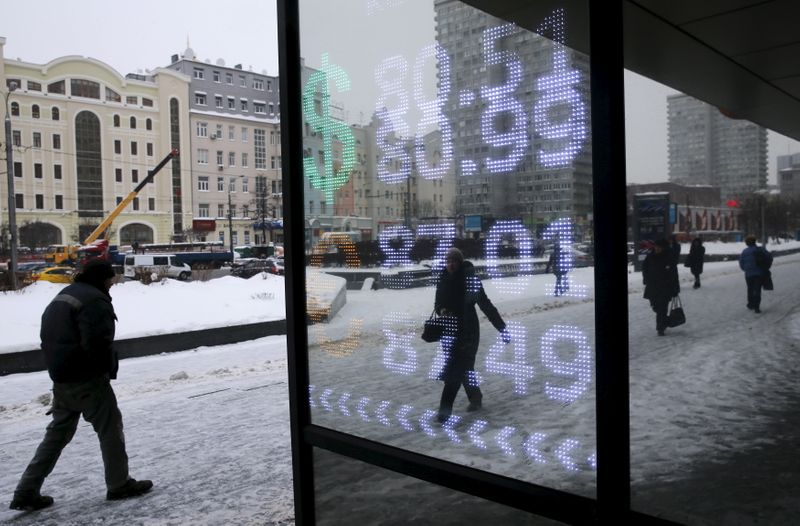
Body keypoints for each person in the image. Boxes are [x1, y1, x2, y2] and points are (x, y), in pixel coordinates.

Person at [9, 260, 152, 512]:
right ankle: (119, 483)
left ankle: (26, 491)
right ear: (102, 279)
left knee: (56, 435)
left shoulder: (64, 296)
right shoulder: (94, 301)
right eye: (110, 280)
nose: (112, 285)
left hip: (61, 377)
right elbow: (97, 342)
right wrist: (101, 373)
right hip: (87, 378)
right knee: (110, 428)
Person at [434, 247, 509, 423]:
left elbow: (486, 305)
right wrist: (442, 310)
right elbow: (437, 304)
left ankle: (444, 412)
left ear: (460, 262)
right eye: (448, 261)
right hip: (450, 331)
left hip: (468, 332)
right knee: (464, 369)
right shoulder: (443, 279)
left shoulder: (471, 280)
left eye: (454, 261)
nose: (450, 264)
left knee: (455, 370)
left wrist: (502, 328)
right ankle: (475, 396)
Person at [642, 238, 680, 336]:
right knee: (655, 307)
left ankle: (660, 328)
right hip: (652, 287)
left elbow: (674, 274)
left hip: (665, 287)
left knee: (662, 308)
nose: (657, 248)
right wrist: (646, 278)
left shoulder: (669, 257)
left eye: (659, 247)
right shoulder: (650, 256)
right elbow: (644, 267)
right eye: (656, 246)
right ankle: (665, 321)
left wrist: (675, 289)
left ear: (664, 248)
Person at [738, 235, 772, 313]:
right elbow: (769, 257)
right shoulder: (761, 249)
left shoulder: (744, 251)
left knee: (750, 289)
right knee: (757, 289)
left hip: (748, 274)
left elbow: (741, 263)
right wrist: (766, 267)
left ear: (747, 243)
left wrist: (746, 269)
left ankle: (751, 304)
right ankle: (757, 307)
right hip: (759, 273)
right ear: (754, 242)